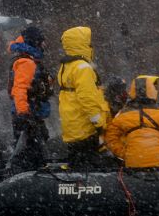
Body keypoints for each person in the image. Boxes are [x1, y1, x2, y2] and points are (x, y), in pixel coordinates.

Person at [56, 26, 113, 169]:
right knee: (91, 165)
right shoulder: (83, 68)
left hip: (72, 124)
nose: (91, 45)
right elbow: (87, 98)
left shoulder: (65, 66)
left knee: (77, 160)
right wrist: (99, 122)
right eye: (88, 42)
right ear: (81, 44)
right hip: (84, 125)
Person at [103, 75, 159, 168]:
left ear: (132, 91)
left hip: (134, 161)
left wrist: (124, 153)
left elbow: (110, 137)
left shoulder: (122, 116)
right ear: (152, 91)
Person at [7, 25, 54, 172]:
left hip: (32, 115)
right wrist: (23, 114)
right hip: (28, 116)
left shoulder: (29, 60)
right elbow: (19, 89)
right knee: (31, 153)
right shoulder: (27, 62)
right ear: (35, 42)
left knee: (37, 144)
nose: (44, 45)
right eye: (41, 41)